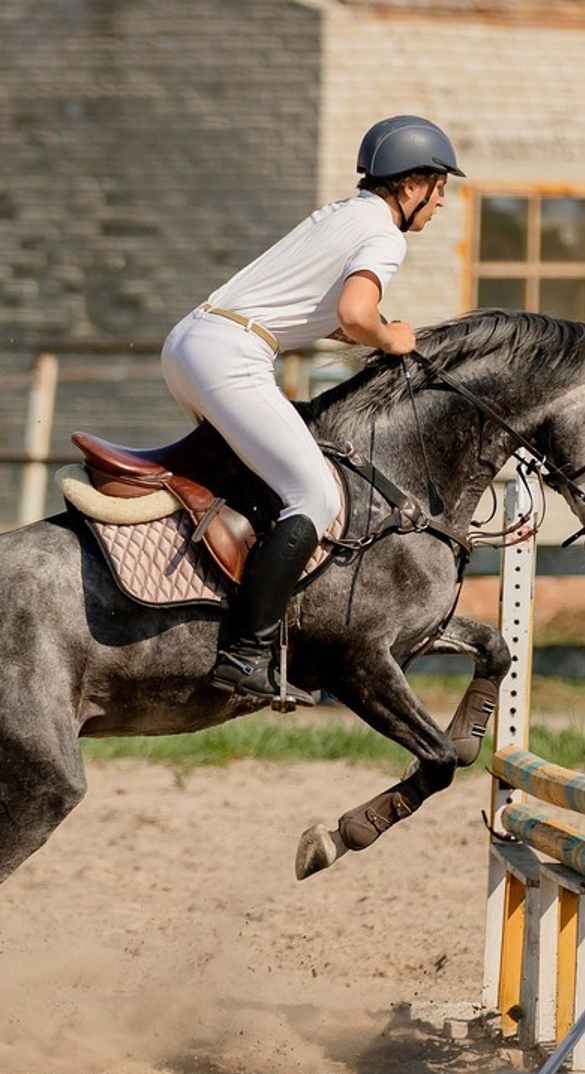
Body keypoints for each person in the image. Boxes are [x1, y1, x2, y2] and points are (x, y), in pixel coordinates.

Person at [160, 115, 464, 706]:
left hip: (192, 343)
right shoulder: (384, 234)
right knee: (316, 497)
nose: (442, 202)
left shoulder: (342, 213)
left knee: (265, 486)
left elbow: (315, 308)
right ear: (410, 186)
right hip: (232, 355)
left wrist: (360, 332)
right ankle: (245, 653)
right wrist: (389, 337)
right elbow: (356, 312)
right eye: (439, 187)